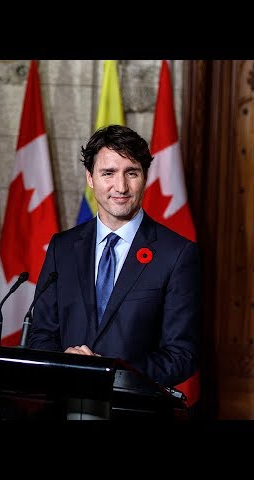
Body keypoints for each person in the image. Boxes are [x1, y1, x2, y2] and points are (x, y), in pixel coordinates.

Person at [27, 124, 200, 390]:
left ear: (144, 177)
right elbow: (41, 333)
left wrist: (113, 374)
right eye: (108, 173)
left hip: (133, 409)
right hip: (65, 402)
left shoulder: (176, 254)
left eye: (131, 173)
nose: (121, 186)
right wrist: (63, 362)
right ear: (90, 178)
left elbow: (182, 354)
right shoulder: (62, 247)